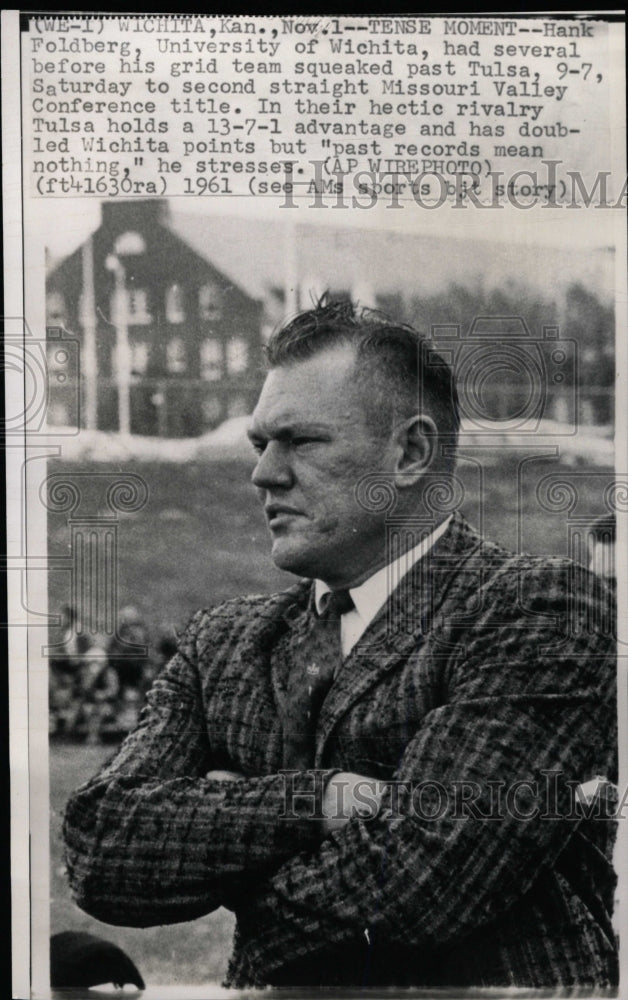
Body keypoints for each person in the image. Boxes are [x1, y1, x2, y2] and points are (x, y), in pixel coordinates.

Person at [63, 299, 617, 989]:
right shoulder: (225, 644)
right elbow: (99, 847)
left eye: (301, 441)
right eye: (259, 444)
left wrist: (221, 842)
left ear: (410, 452)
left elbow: (427, 881)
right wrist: (318, 801)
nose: (263, 474)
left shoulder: (539, 609)